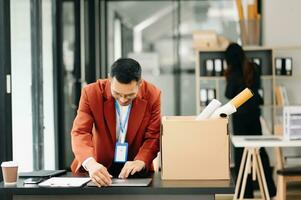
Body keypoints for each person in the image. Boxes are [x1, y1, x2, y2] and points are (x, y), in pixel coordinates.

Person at [70, 58, 161, 187]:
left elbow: (153, 136)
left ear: (140, 83)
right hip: (97, 167)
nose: (123, 100)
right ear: (109, 79)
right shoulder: (91, 93)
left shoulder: (153, 95)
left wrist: (141, 160)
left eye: (130, 95)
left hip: (134, 170)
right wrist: (91, 163)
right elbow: (80, 132)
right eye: (117, 93)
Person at [224, 43, 276, 198]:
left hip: (240, 117)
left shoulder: (232, 72)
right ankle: (270, 190)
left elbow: (228, 94)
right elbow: (256, 89)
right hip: (254, 115)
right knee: (260, 152)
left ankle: (246, 193)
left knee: (241, 156)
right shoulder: (254, 68)